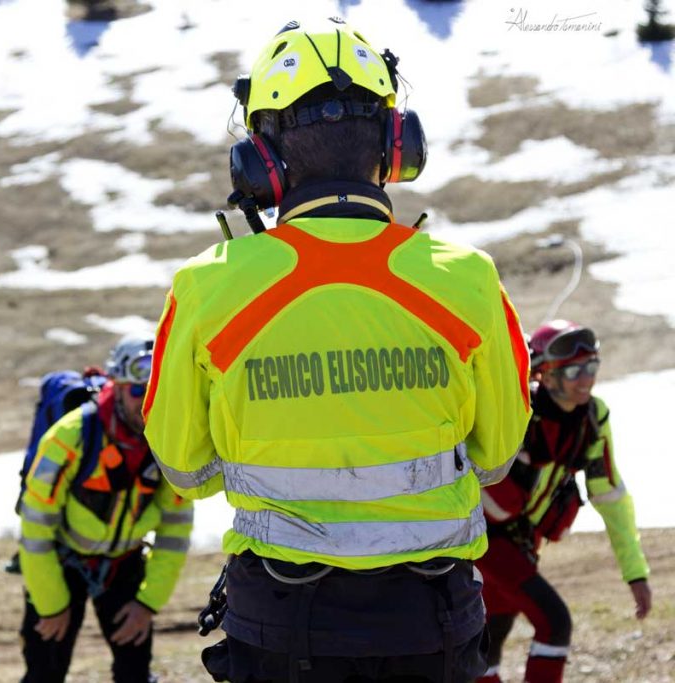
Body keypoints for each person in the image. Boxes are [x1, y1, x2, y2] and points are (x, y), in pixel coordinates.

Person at [142, 19, 532, 683]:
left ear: (260, 162)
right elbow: (496, 458)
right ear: (397, 146)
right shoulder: (468, 279)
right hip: (431, 623)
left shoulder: (206, 287)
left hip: (279, 621)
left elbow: (185, 468)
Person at [475, 320, 651, 683]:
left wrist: (635, 573)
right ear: (544, 374)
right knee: (554, 622)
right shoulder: (516, 412)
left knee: (491, 635)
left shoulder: (593, 419)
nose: (585, 378)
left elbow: (610, 498)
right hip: (486, 540)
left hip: (523, 544)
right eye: (572, 370)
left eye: (592, 366)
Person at [18, 333, 194, 683]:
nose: (147, 402)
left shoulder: (169, 444)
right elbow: (35, 528)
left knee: (135, 675)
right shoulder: (70, 436)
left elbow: (175, 530)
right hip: (60, 562)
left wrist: (147, 605)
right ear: (118, 386)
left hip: (124, 566)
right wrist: (51, 605)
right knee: (44, 673)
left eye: (157, 391)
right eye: (138, 390)